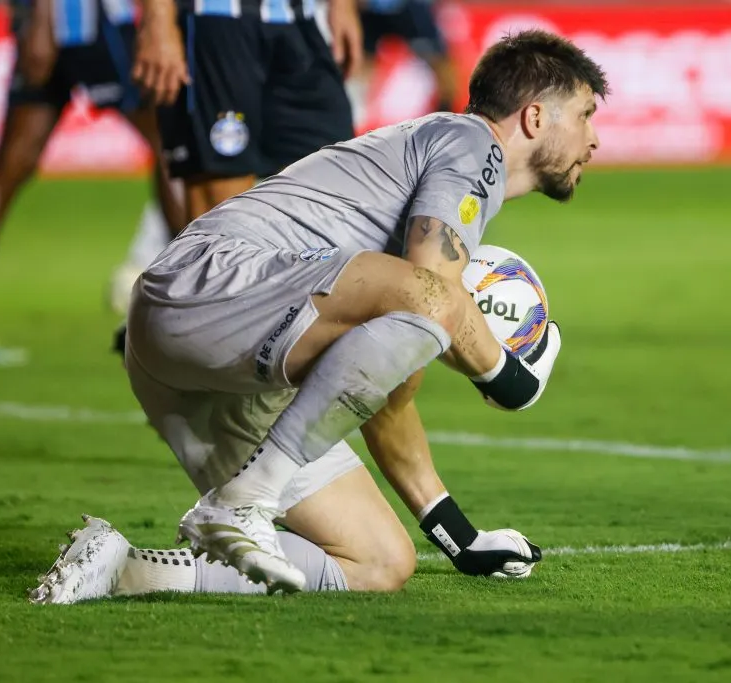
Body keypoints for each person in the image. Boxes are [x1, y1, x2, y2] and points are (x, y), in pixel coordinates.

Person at [31, 30, 607, 603]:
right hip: (207, 284)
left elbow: (383, 387)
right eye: (584, 114)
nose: (595, 138)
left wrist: (460, 536)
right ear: (534, 117)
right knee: (435, 295)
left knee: (379, 560)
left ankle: (124, 569)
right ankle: (243, 502)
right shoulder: (469, 142)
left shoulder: (413, 234)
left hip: (216, 361)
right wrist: (510, 378)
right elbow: (433, 292)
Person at [0, 0, 185, 365]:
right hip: (88, 21)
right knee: (170, 145)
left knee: (9, 166)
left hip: (47, 23)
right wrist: (46, 21)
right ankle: (188, 308)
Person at [131, 0, 363, 222]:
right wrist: (157, 19)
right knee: (220, 212)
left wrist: (343, 5)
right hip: (214, 19)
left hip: (301, 18)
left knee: (331, 185)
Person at [356, 0, 457, 114]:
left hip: (409, 8)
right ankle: (361, 110)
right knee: (359, 59)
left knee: (440, 65)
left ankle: (446, 112)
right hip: (370, 11)